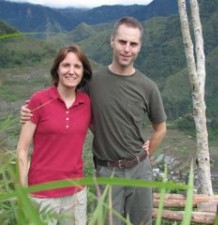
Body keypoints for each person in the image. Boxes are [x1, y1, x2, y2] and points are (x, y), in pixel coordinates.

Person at [21, 16, 167, 225]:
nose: (127, 49)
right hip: (107, 170)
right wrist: (29, 110)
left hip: (139, 170)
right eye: (122, 42)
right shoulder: (92, 82)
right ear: (112, 41)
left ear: (139, 47)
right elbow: (61, 98)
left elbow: (160, 128)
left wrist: (146, 154)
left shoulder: (148, 86)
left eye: (133, 44)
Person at [17, 44, 92, 225]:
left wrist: (139, 144)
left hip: (75, 193)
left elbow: (108, 130)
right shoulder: (39, 100)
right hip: (42, 193)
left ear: (83, 72)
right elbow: (22, 148)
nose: (71, 71)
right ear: (57, 69)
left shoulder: (86, 102)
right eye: (66, 65)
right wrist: (22, 191)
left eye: (77, 66)